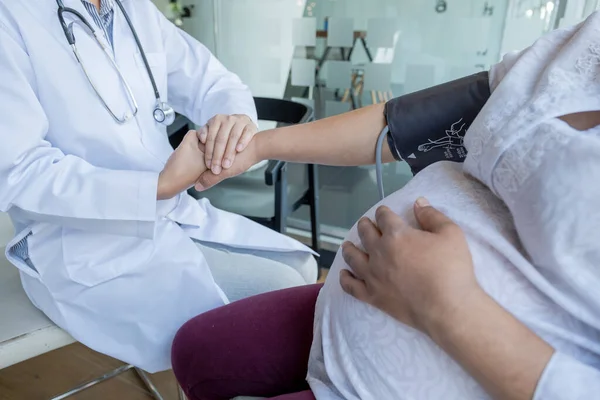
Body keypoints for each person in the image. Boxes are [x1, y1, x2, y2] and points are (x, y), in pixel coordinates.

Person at [171, 12, 600, 400]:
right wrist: (259, 147)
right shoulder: (584, 41)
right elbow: (408, 124)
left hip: (437, 370)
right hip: (363, 292)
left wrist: (449, 306)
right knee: (196, 352)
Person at [0, 0, 317, 373]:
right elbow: (19, 172)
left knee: (299, 268)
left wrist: (232, 123)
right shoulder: (12, 17)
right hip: (75, 241)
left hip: (168, 213)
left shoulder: (133, 9)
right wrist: (156, 186)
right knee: (283, 299)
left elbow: (214, 82)